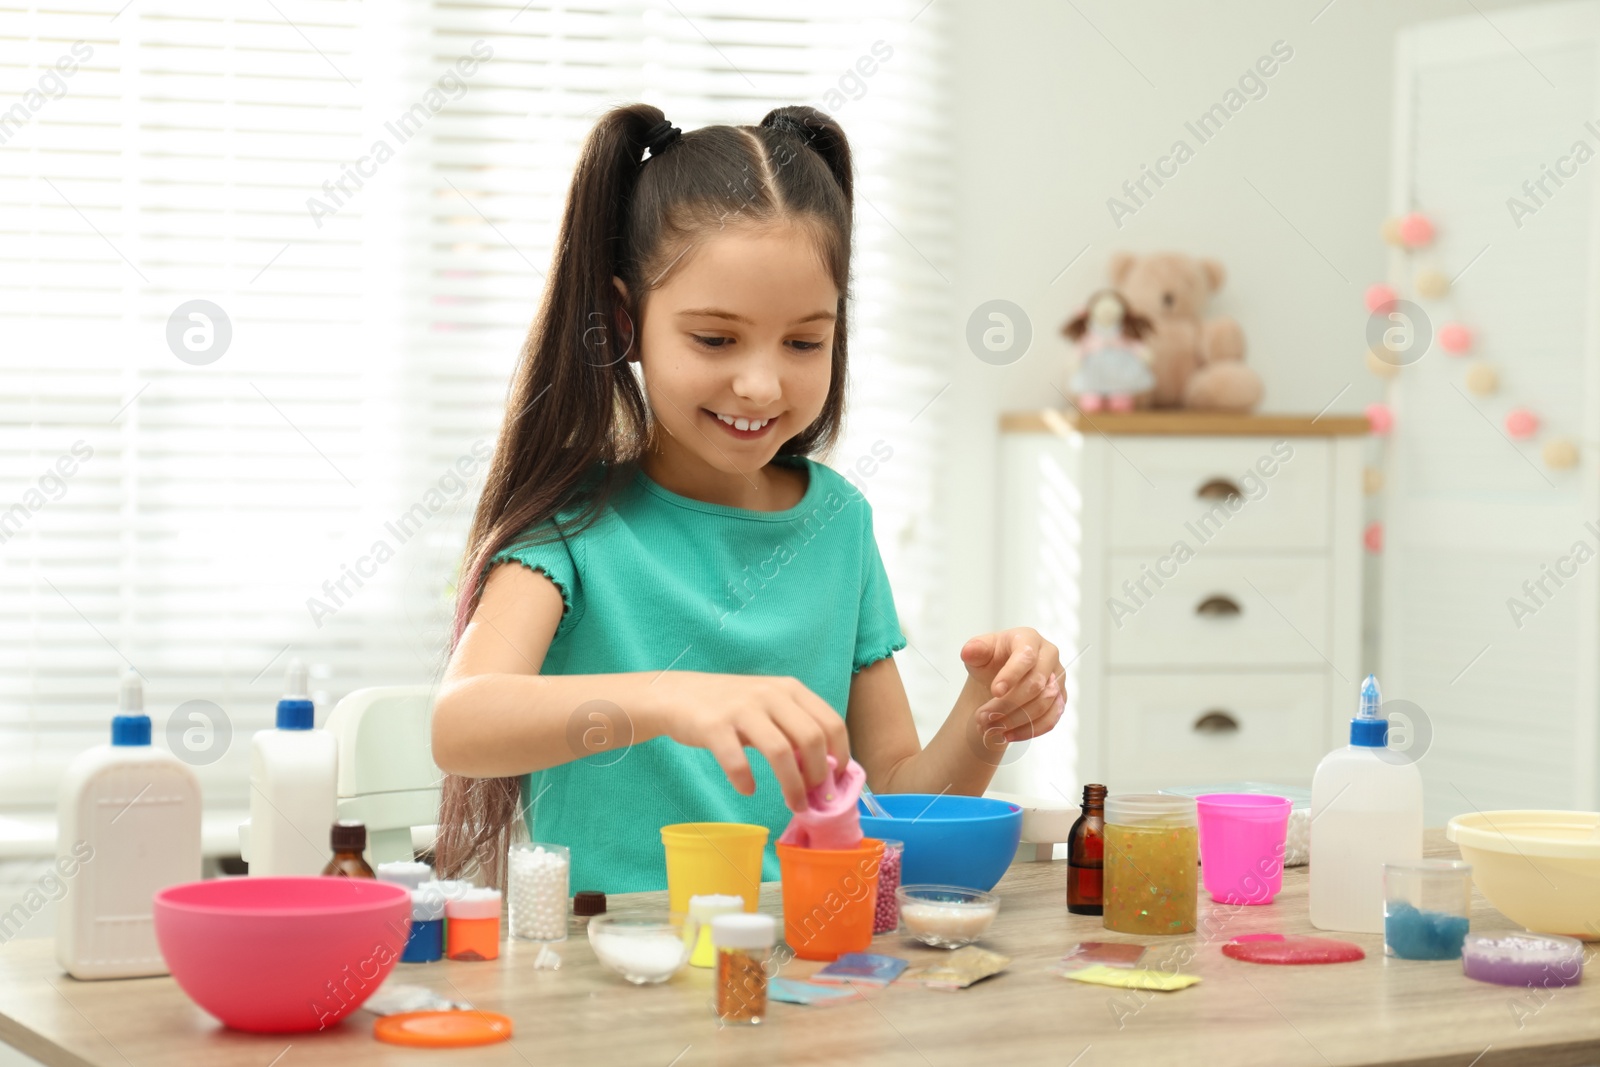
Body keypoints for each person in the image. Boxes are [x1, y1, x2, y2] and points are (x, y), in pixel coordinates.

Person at [430, 103, 1067, 893]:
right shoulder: (573, 527)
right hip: (618, 972)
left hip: (805, 960)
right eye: (715, 338)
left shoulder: (837, 522)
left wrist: (986, 715)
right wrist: (672, 698)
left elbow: (897, 797)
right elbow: (460, 723)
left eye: (805, 341)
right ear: (626, 322)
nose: (761, 383)